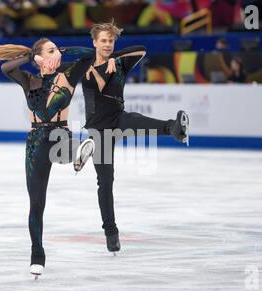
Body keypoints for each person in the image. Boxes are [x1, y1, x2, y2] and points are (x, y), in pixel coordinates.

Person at [0, 39, 96, 278]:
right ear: (40, 56)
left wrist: (61, 52)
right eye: (51, 50)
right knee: (36, 203)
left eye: (56, 50)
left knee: (59, 143)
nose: (56, 54)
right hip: (35, 142)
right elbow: (5, 68)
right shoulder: (29, 80)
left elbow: (89, 54)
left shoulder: (68, 74)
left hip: (59, 133)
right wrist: (32, 57)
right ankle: (37, 256)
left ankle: (77, 152)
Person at [81, 20, 189, 254]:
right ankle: (111, 232)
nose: (108, 44)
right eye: (104, 41)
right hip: (98, 130)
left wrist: (114, 58)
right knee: (105, 182)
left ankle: (174, 129)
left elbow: (141, 48)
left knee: (136, 120)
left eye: (111, 41)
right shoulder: (84, 65)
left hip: (118, 118)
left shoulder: (119, 64)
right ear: (94, 42)